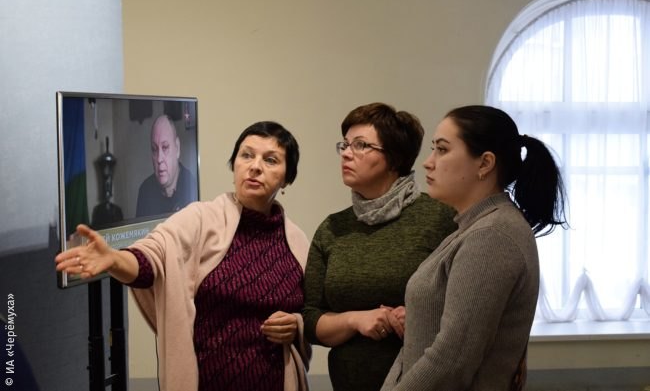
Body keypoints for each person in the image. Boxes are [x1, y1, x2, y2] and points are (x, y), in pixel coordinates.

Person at [56, 121, 311, 391]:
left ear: (287, 178)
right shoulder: (200, 218)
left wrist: (297, 325)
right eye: (246, 155)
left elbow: (314, 314)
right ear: (234, 164)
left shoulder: (297, 243)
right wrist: (114, 259)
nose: (255, 166)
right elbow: (152, 257)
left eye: (270, 160)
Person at [381, 105, 568, 391]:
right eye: (433, 149)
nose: (428, 163)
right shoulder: (474, 227)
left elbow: (452, 359)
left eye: (442, 150)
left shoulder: (492, 235)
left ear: (484, 164)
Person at [302, 103, 457, 391]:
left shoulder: (441, 218)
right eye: (345, 144)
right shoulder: (332, 228)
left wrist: (420, 316)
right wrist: (355, 320)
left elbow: (470, 305)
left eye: (361, 145)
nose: (346, 153)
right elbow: (310, 319)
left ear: (394, 158)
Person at [135, 114, 198, 217]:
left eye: (165, 147)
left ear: (177, 148)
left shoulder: (192, 187)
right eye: (154, 149)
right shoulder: (145, 191)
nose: (159, 159)